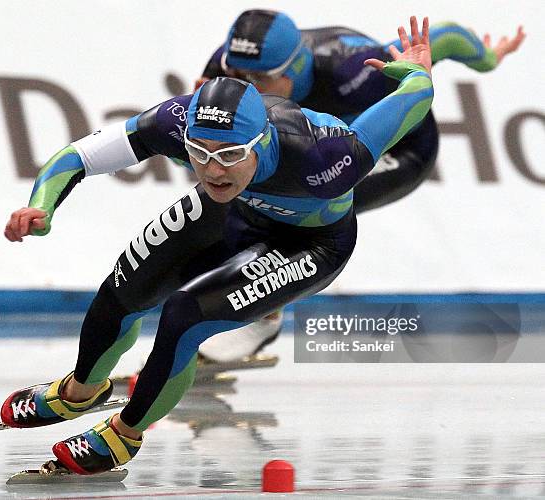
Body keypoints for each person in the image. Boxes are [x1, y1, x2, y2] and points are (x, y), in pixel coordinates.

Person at [1, 16, 433, 475]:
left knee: (184, 315)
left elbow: (413, 100)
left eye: (229, 156)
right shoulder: (173, 121)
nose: (213, 170)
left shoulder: (324, 157)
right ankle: (78, 391)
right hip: (235, 212)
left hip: (312, 241)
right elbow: (80, 157)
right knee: (122, 290)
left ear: (261, 142)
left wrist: (416, 71)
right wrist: (41, 205)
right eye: (200, 154)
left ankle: (123, 436)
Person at [195, 10, 526, 363]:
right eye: (238, 74)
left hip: (400, 152)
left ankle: (265, 316)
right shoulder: (226, 64)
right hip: (312, 152)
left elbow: (442, 37)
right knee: (236, 192)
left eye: (260, 77)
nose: (247, 86)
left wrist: (488, 59)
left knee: (296, 200)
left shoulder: (350, 66)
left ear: (295, 68)